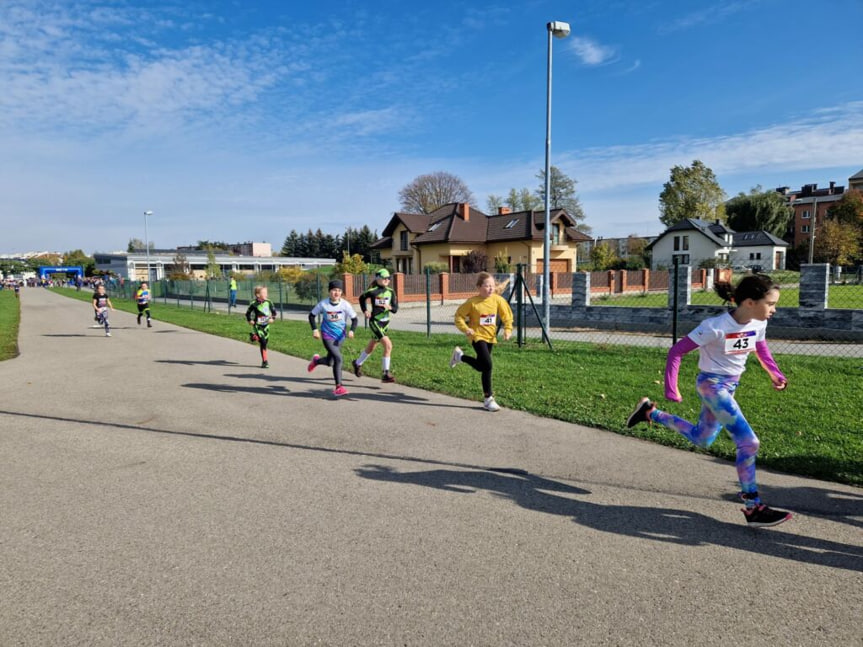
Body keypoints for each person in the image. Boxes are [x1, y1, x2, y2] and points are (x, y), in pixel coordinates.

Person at [626, 274, 792, 528]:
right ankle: (752, 506)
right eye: (770, 303)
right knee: (748, 443)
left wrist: (776, 374)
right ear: (749, 302)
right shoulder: (715, 326)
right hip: (712, 386)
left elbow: (761, 348)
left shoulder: (758, 323)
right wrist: (672, 388)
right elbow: (676, 351)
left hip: (730, 385)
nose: (774, 309)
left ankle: (651, 413)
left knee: (702, 438)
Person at [450, 272, 513, 412]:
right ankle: (488, 399)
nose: (490, 288)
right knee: (488, 365)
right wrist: (466, 329)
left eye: (492, 286)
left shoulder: (497, 300)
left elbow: (507, 316)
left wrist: (508, 330)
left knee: (482, 367)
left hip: (490, 337)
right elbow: (459, 316)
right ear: (479, 287)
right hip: (477, 337)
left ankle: (460, 357)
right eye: (487, 286)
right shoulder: (472, 302)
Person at [308, 279, 358, 397]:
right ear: (329, 291)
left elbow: (355, 319)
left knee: (330, 362)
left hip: (340, 337)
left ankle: (316, 361)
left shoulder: (345, 304)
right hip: (327, 335)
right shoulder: (323, 304)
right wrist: (315, 330)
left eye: (339, 290)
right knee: (339, 358)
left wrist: (352, 330)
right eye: (334, 290)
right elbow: (311, 316)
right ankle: (339, 387)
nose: (337, 293)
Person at [352, 268, 399, 383]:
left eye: (388, 278)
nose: (387, 280)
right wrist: (365, 310)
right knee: (388, 345)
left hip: (385, 323)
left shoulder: (391, 292)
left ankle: (357, 363)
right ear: (378, 278)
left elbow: (395, 309)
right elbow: (361, 298)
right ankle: (385, 373)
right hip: (375, 322)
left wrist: (390, 308)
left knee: (372, 346)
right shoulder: (373, 291)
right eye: (384, 278)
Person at [245, 285, 277, 368]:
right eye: (264, 293)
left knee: (264, 343)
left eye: (267, 292)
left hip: (266, 326)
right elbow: (247, 313)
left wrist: (272, 319)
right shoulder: (253, 304)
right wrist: (250, 320)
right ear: (258, 295)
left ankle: (254, 337)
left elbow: (274, 312)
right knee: (262, 341)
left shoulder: (269, 302)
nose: (266, 294)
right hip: (257, 325)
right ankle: (265, 361)